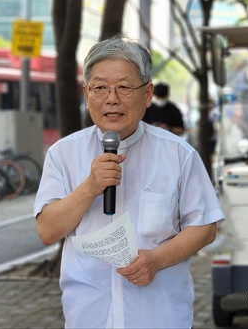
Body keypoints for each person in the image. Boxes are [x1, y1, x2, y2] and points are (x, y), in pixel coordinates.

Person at [34, 37, 224, 328]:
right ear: (87, 94)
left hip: (159, 315)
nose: (111, 98)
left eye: (123, 87)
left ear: (147, 93)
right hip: (88, 315)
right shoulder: (63, 154)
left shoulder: (179, 154)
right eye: (100, 88)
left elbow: (205, 227)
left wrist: (157, 260)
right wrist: (89, 187)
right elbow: (47, 230)